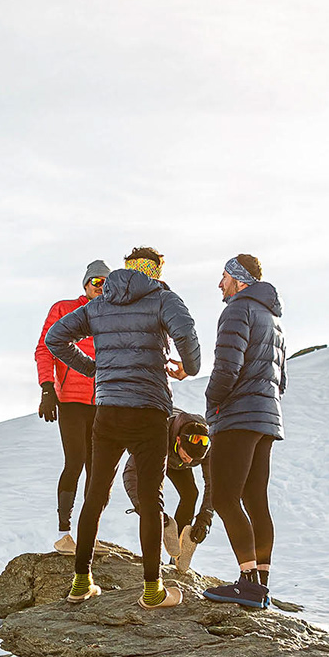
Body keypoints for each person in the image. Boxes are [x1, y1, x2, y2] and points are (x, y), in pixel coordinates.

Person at [44, 248, 201, 609]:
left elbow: (55, 338)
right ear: (155, 271)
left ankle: (81, 582)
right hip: (150, 411)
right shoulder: (163, 299)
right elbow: (187, 339)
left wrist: (94, 369)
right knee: (151, 498)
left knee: (96, 494)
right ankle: (153, 590)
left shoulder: (101, 303)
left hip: (109, 410)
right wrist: (187, 368)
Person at [200, 255, 284, 610]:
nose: (220, 284)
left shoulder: (238, 310)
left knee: (223, 497)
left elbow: (227, 367)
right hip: (266, 417)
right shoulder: (272, 318)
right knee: (255, 499)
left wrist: (212, 400)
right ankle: (261, 585)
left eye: (224, 276)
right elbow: (281, 378)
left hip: (238, 415)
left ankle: (247, 583)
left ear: (239, 279)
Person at [36, 261, 109, 553]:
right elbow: (45, 348)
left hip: (104, 401)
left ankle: (90, 534)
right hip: (70, 400)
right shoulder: (64, 309)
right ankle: (64, 534)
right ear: (86, 284)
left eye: (106, 282)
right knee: (75, 461)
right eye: (96, 281)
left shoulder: (113, 314)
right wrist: (47, 388)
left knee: (99, 470)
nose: (100, 287)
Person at [122, 411, 214, 574]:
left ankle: (176, 555)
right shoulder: (156, 434)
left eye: (195, 460)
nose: (190, 461)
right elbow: (130, 473)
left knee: (191, 494)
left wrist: (205, 518)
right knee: (150, 497)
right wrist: (143, 507)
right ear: (179, 440)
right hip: (155, 453)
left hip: (175, 460)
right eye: (187, 456)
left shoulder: (208, 446)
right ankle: (152, 559)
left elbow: (213, 484)